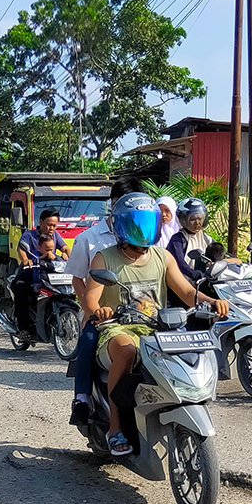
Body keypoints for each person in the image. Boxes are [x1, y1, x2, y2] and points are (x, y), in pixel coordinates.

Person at [82, 193, 229, 456]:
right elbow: (90, 298)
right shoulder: (104, 259)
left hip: (156, 328)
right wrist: (100, 310)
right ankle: (115, 429)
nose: (143, 230)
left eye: (147, 223)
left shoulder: (163, 257)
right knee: (127, 351)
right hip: (117, 329)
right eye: (137, 223)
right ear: (123, 225)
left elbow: (186, 292)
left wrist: (212, 302)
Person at [66, 176, 144, 426]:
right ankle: (82, 399)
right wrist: (92, 309)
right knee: (88, 340)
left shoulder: (143, 236)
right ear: (112, 203)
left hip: (139, 312)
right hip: (104, 313)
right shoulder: (89, 238)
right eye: (122, 201)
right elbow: (78, 279)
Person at [11, 228, 62, 339]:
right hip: (31, 281)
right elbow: (24, 254)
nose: (50, 251)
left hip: (48, 284)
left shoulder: (55, 258)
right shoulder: (33, 256)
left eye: (51, 249)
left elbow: (64, 256)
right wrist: (30, 261)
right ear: (39, 247)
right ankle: (23, 329)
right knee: (21, 294)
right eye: (47, 249)